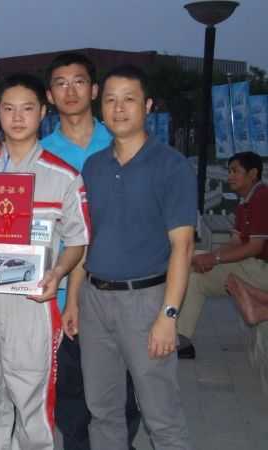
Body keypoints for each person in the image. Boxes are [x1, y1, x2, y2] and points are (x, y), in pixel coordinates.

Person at [0, 73, 90, 449]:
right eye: (9, 109)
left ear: (42, 112)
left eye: (27, 108)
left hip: (32, 303)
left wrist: (58, 272)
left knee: (32, 402)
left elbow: (77, 241)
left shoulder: (63, 176)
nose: (18, 117)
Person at [72, 65, 196, 450]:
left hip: (145, 302)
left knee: (161, 415)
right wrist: (74, 300)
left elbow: (183, 246)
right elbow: (85, 239)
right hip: (94, 300)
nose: (119, 108)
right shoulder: (94, 166)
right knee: (102, 411)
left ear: (148, 105)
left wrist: (169, 315)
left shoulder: (171, 165)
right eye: (110, 100)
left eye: (129, 99)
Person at [41, 52, 141, 450]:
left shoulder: (123, 143)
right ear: (50, 95)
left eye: (79, 81)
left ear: (94, 90)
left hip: (119, 291)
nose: (70, 91)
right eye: (61, 83)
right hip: (59, 293)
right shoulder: (39, 152)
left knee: (123, 391)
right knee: (71, 392)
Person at [177, 151, 268, 357]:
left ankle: (177, 337)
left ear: (253, 173)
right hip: (253, 267)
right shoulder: (245, 202)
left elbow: (255, 247)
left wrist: (214, 258)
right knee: (194, 266)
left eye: (235, 171)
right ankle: (180, 339)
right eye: (229, 171)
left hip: (262, 269)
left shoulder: (262, 197)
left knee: (194, 272)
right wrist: (210, 258)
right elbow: (235, 243)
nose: (230, 176)